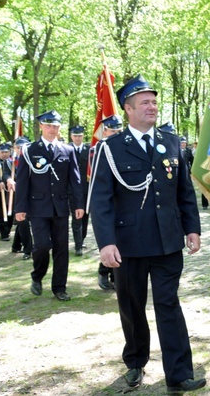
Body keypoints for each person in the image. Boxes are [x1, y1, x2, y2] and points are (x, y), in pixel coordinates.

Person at [89, 75, 206, 392]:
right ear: (128, 109)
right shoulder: (111, 149)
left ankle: (179, 374)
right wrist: (106, 243)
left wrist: (191, 228)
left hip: (168, 240)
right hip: (128, 244)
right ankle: (136, 362)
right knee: (132, 306)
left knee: (169, 305)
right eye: (145, 102)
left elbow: (184, 192)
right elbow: (99, 200)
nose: (152, 106)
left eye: (154, 101)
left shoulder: (169, 141)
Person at [15, 110, 84, 301]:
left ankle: (59, 287)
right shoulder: (30, 150)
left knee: (62, 248)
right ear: (41, 127)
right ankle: (37, 276)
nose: (52, 129)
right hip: (37, 207)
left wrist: (78, 204)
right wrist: (20, 208)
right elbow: (22, 182)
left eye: (55, 126)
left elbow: (75, 180)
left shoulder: (67, 150)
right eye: (49, 126)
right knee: (42, 246)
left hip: (60, 207)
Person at [89, 114, 124, 290]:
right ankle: (104, 271)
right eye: (112, 131)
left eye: (119, 130)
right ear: (105, 131)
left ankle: (117, 277)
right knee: (109, 240)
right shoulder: (99, 149)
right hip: (108, 203)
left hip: (123, 204)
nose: (116, 134)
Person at [69, 125, 90, 256]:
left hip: (86, 189)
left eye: (80, 136)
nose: (77, 138)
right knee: (76, 217)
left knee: (85, 218)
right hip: (71, 190)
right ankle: (78, 246)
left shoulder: (89, 150)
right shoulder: (66, 149)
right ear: (71, 136)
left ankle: (81, 239)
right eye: (75, 135)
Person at [11, 136, 33, 259]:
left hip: (32, 196)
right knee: (22, 222)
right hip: (17, 197)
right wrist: (8, 179)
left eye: (23, 147)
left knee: (24, 222)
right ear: (15, 148)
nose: (20, 150)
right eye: (18, 147)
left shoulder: (32, 160)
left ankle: (16, 245)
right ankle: (28, 249)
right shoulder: (11, 162)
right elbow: (5, 175)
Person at [0, 142, 14, 241]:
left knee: (11, 211)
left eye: (6, 152)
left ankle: (8, 229)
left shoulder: (13, 163)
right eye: (2, 152)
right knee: (0, 211)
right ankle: (4, 233)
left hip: (10, 191)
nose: (4, 154)